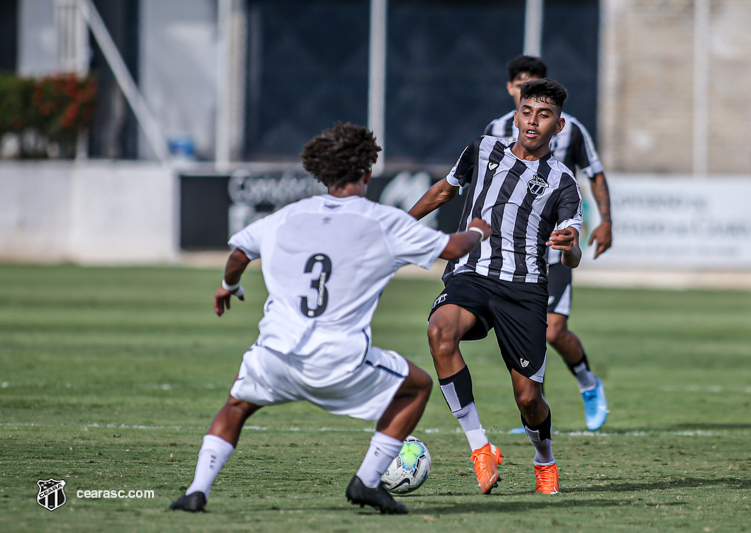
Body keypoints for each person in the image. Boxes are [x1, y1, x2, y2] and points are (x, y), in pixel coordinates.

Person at [169, 122, 491, 515]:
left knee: (236, 406)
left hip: (276, 353)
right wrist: (476, 229)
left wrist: (228, 285)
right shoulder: (383, 221)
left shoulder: (286, 216)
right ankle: (367, 482)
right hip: (339, 359)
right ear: (368, 172)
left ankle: (196, 491)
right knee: (417, 387)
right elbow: (456, 248)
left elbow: (238, 254)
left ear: (320, 173)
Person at [408, 79, 583, 495]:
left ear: (558, 127)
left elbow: (572, 252)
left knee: (528, 399)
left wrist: (571, 246)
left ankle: (544, 459)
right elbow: (443, 191)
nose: (533, 122)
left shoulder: (562, 182)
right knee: (440, 332)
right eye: (527, 112)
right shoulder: (482, 148)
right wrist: (394, 228)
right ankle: (480, 447)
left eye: (544, 116)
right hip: (470, 273)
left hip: (523, 290)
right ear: (516, 113)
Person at [485, 55, 611, 432]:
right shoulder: (494, 129)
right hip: (509, 254)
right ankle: (532, 412)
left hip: (553, 252)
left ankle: (589, 384)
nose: (529, 87)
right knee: (515, 334)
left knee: (553, 331)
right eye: (522, 82)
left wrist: (606, 222)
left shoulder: (569, 128)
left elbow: (595, 173)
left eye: (537, 81)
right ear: (511, 88)